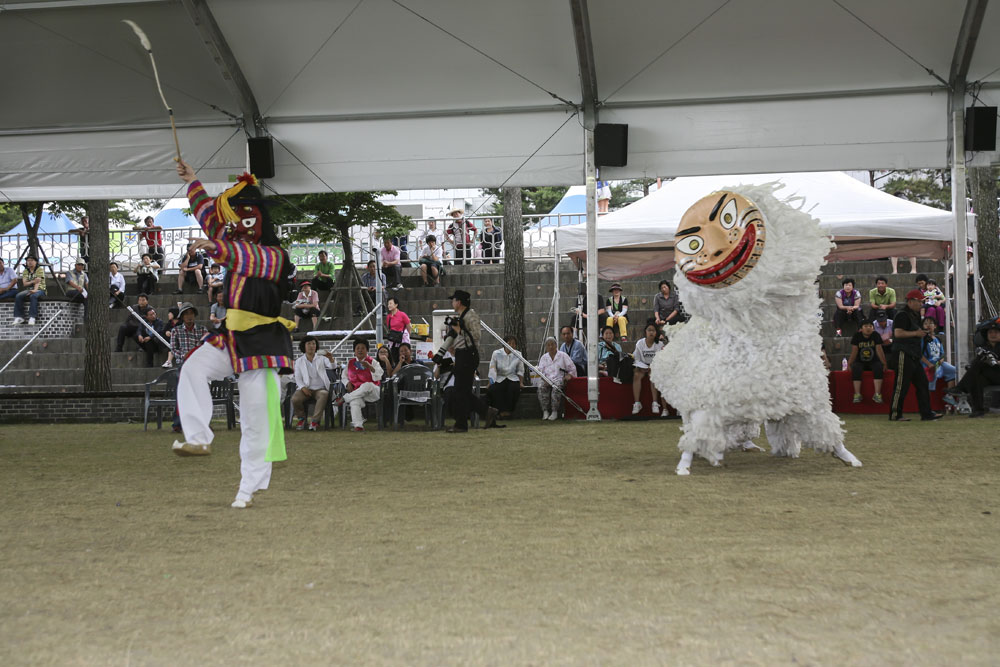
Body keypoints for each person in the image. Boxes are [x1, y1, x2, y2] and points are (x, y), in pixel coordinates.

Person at [172, 160, 296, 512]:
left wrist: (213, 247)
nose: (237, 222)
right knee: (193, 369)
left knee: (255, 419)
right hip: (231, 335)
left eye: (245, 216)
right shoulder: (230, 240)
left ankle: (248, 487)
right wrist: (193, 180)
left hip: (262, 340)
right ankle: (198, 437)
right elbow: (209, 216)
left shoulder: (274, 256)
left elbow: (243, 257)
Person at [433, 289, 498, 432]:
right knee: (462, 391)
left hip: (469, 355)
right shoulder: (460, 317)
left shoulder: (471, 315)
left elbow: (476, 336)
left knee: (460, 391)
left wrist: (459, 329)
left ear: (459, 302)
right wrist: (440, 353)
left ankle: (462, 424)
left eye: (454, 300)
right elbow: (452, 337)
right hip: (461, 355)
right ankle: (486, 412)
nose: (452, 302)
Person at [888, 289, 942, 422]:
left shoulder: (916, 315)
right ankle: (895, 414)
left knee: (923, 383)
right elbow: (898, 333)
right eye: (920, 302)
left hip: (914, 354)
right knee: (901, 385)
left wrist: (923, 332)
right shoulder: (902, 315)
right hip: (903, 353)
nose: (922, 304)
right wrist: (916, 334)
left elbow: (915, 331)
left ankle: (926, 413)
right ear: (911, 302)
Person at [948, 321, 1000, 418]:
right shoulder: (984, 348)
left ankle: (960, 387)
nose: (993, 335)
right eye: (990, 333)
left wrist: (996, 362)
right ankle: (978, 410)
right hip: (987, 375)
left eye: (996, 332)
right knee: (977, 379)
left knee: (977, 365)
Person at [335, 339, 383, 432]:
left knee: (367, 385)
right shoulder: (350, 363)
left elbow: (379, 376)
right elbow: (344, 377)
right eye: (357, 348)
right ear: (354, 351)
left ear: (367, 350)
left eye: (363, 348)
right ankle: (358, 426)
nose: (360, 350)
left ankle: (345, 398)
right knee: (354, 402)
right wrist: (347, 383)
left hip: (373, 392)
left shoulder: (373, 362)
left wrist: (370, 367)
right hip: (357, 393)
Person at [292, 336, 334, 431]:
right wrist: (303, 388)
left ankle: (315, 421)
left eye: (313, 344)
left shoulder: (322, 358)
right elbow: (297, 377)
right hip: (305, 388)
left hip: (320, 388)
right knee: (295, 398)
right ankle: (301, 419)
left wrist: (331, 358)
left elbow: (332, 367)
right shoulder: (299, 361)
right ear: (304, 346)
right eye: (309, 344)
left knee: (324, 394)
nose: (311, 346)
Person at [536, 336, 577, 420]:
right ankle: (545, 411)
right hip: (547, 379)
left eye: (552, 344)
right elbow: (540, 371)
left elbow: (572, 368)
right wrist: (545, 379)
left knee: (556, 388)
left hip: (559, 379)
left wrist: (569, 376)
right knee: (541, 387)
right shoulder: (544, 357)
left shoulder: (563, 355)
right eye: (548, 345)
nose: (550, 347)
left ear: (556, 345)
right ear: (546, 347)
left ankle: (554, 412)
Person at [848, 319, 886, 404]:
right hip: (860, 361)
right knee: (856, 368)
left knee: (878, 367)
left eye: (870, 326)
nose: (868, 328)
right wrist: (849, 363)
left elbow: (879, 350)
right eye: (865, 326)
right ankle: (857, 394)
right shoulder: (857, 336)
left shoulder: (876, 335)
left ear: (873, 328)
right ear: (861, 329)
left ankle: (877, 394)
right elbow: (854, 351)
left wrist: (884, 363)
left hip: (873, 360)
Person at [632, 322, 667, 416]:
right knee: (636, 375)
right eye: (649, 330)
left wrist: (652, 367)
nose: (651, 332)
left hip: (655, 367)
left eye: (653, 330)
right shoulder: (640, 343)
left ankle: (655, 403)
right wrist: (642, 367)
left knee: (653, 375)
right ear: (645, 332)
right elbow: (636, 358)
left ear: (656, 333)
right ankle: (637, 403)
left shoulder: (659, 344)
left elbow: (661, 359)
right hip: (642, 366)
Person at [487, 335, 525, 417]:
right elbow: (492, 368)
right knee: (495, 389)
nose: (511, 345)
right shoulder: (496, 353)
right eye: (509, 343)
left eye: (514, 344)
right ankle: (498, 411)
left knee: (514, 389)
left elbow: (520, 370)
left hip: (512, 377)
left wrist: (521, 382)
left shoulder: (518, 354)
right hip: (499, 377)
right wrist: (490, 382)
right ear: (504, 344)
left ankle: (508, 411)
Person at [920, 316, 956, 395]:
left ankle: (949, 396)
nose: (928, 325)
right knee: (933, 375)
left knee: (955, 370)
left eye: (930, 323)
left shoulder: (937, 339)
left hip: (939, 364)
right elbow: (919, 354)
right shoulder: (922, 339)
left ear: (935, 326)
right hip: (928, 365)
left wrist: (940, 362)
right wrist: (929, 364)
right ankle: (928, 398)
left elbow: (942, 354)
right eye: (925, 323)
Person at [13, 255, 45, 326]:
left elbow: (38, 281)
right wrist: (33, 282)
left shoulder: (39, 269)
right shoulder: (25, 271)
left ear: (36, 262)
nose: (30, 262)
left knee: (33, 296)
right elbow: (25, 284)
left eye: (32, 260)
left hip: (40, 289)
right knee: (18, 296)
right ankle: (19, 316)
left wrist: (35, 290)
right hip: (29, 289)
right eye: (28, 261)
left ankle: (32, 316)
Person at [385, 296, 410, 363]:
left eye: (390, 303)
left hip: (402, 339)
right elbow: (389, 327)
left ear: (396, 305)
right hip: (393, 340)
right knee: (394, 356)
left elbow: (408, 326)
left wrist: (407, 336)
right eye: (388, 304)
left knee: (404, 356)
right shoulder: (388, 317)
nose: (389, 305)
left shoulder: (402, 315)